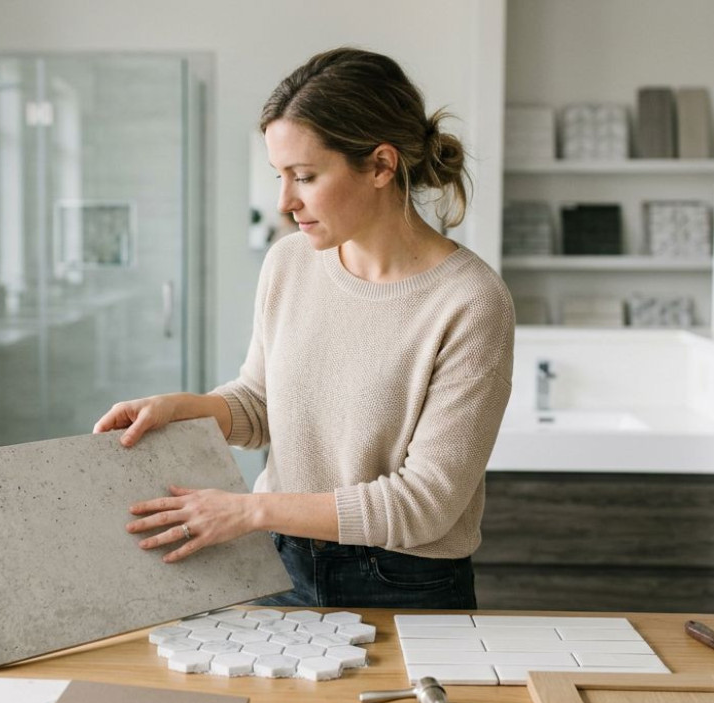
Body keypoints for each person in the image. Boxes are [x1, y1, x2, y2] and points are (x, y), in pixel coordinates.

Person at [93, 47, 514, 609]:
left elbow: (426, 505)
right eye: (279, 176)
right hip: (279, 563)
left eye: (305, 177)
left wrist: (249, 511)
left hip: (403, 582)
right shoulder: (289, 262)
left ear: (381, 166)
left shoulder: (470, 300)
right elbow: (262, 402)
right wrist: (186, 409)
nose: (285, 201)